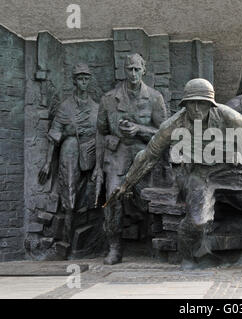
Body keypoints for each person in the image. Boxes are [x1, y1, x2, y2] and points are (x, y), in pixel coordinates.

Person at [106, 78, 242, 264]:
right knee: (198, 222)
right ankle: (188, 256)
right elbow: (148, 156)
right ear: (185, 104)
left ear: (210, 104)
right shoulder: (173, 125)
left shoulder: (230, 117)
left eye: (201, 103)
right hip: (196, 173)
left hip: (229, 170)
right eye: (191, 103)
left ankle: (237, 238)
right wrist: (126, 184)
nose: (196, 109)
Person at [92, 53, 167, 265]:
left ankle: (155, 243)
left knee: (150, 199)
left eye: (137, 69)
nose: (133, 73)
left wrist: (139, 129)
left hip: (144, 157)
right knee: (112, 199)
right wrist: (98, 167)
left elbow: (164, 132)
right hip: (117, 157)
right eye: (129, 69)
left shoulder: (154, 97)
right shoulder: (108, 99)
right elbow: (100, 132)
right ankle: (115, 247)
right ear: (124, 70)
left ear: (144, 70)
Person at [38, 63, 98, 253]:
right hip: (70, 151)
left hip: (91, 153)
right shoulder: (66, 107)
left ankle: (89, 238)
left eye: (86, 78)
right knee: (69, 191)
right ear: (74, 81)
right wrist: (47, 163)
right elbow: (54, 135)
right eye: (80, 79)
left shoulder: (96, 107)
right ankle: (68, 240)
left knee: (92, 192)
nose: (83, 82)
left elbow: (102, 134)